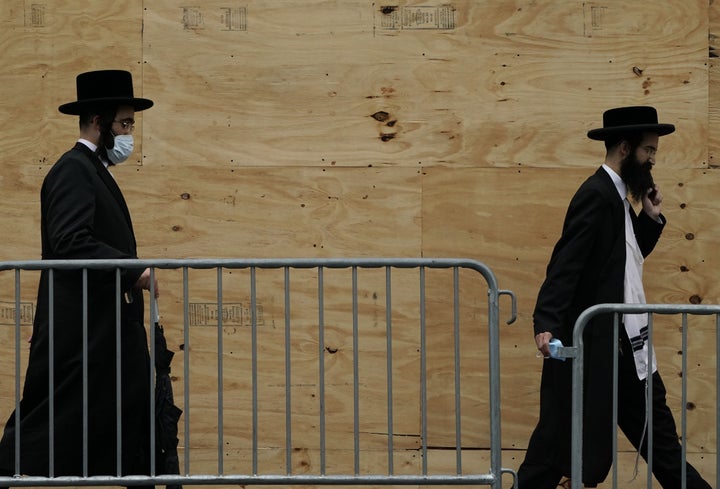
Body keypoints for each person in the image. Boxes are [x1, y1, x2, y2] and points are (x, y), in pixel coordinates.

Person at [516, 106, 711, 488]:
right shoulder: (596, 195)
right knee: (554, 447)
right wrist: (547, 323)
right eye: (648, 151)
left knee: (660, 445)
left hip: (629, 349)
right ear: (624, 147)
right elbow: (566, 264)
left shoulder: (618, 198)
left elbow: (621, 261)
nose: (653, 159)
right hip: (604, 348)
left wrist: (650, 217)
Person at [0, 70, 159, 483]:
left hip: (98, 330)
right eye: (124, 124)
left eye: (131, 126)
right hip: (82, 335)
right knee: (49, 422)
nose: (128, 135)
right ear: (98, 121)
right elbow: (69, 241)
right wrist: (131, 269)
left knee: (119, 414)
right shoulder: (74, 169)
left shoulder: (89, 168)